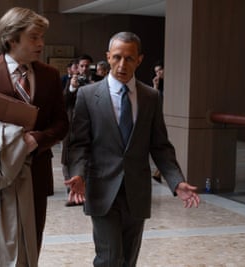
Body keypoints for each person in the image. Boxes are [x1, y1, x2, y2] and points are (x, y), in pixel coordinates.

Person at [64, 32, 200, 266]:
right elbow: (79, 144)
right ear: (108, 57)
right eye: (116, 57)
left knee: (128, 259)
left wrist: (176, 181)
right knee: (109, 259)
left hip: (136, 192)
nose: (122, 64)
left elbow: (160, 146)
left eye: (129, 58)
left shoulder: (151, 97)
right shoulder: (88, 96)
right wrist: (77, 173)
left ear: (139, 60)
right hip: (101, 188)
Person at [0, 7, 68, 265]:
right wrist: (10, 138)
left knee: (31, 243)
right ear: (11, 39)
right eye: (34, 37)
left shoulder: (49, 75)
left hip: (35, 171)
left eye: (42, 37)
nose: (41, 43)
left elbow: (61, 124)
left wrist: (36, 140)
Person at [61, 54, 94, 206]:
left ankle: (84, 191)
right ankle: (71, 193)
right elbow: (63, 102)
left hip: (90, 127)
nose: (84, 69)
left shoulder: (97, 82)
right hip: (71, 126)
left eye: (88, 66)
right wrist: (73, 87)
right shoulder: (70, 82)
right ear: (77, 67)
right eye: (82, 66)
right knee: (67, 159)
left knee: (87, 159)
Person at [151, 60, 164, 183]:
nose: (158, 73)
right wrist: (155, 86)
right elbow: (155, 101)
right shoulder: (159, 85)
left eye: (160, 70)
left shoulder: (170, 83)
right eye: (156, 71)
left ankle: (159, 172)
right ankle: (158, 172)